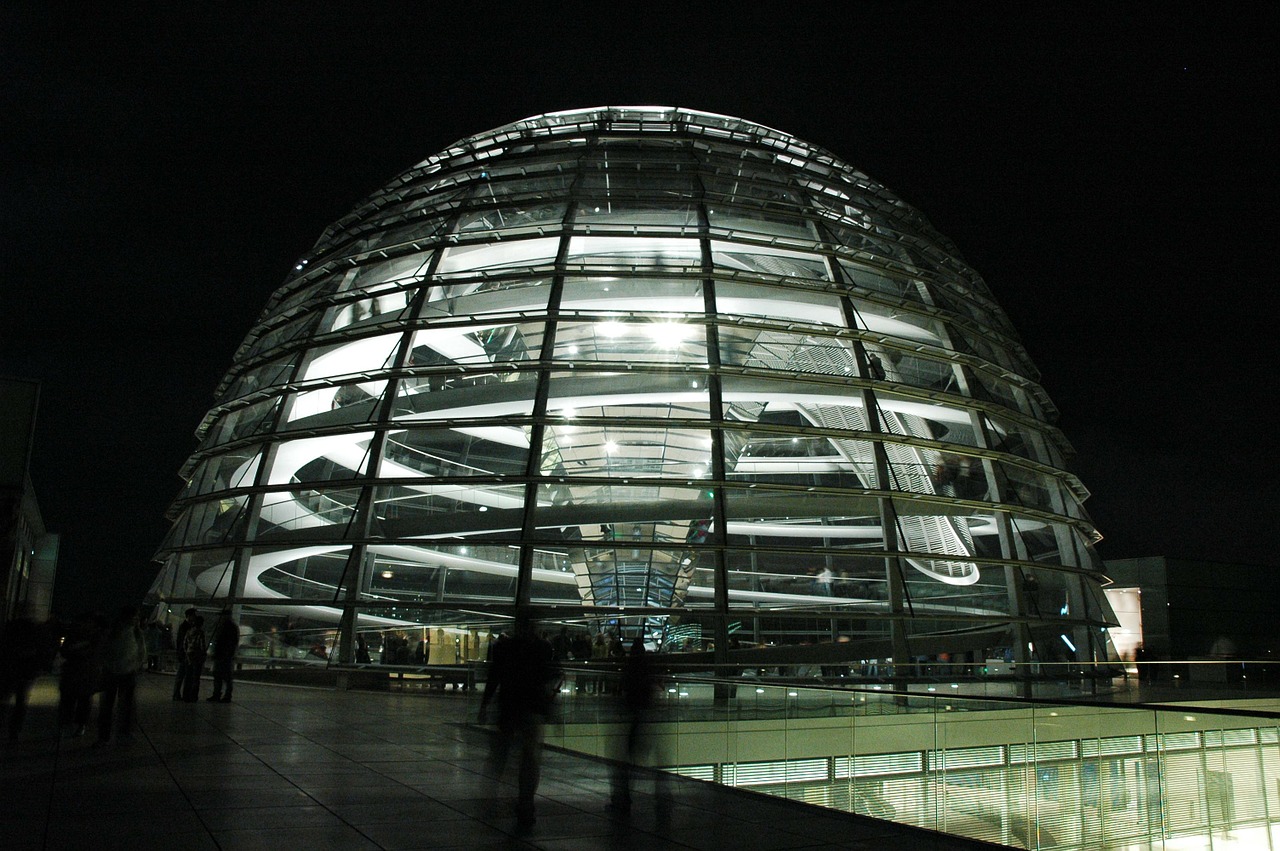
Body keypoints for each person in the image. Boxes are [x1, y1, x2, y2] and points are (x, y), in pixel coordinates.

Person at [478, 616, 558, 828]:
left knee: (501, 754)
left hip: (509, 706)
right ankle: (526, 802)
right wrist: (551, 709)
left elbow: (494, 677)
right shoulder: (543, 648)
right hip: (532, 708)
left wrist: (484, 705)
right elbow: (550, 677)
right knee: (530, 757)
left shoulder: (504, 647)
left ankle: (493, 799)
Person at [610, 638, 662, 813]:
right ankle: (660, 796)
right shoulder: (647, 667)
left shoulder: (629, 666)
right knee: (640, 756)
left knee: (624, 758)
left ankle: (622, 797)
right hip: (644, 715)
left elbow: (623, 686)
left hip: (630, 715)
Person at [0, 605, 53, 741]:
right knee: (20, 700)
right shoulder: (36, 629)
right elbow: (42, 649)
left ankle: (6, 725)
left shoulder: (11, 626)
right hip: (26, 670)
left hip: (11, 668)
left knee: (5, 697)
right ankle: (14, 730)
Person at [97, 606, 146, 743]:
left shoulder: (137, 633)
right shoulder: (113, 632)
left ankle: (123, 733)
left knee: (126, 706)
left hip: (128, 673)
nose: (136, 619)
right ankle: (105, 736)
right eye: (134, 616)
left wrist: (135, 666)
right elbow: (103, 649)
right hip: (112, 673)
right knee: (108, 706)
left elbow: (141, 652)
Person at [59, 612, 104, 737]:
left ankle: (78, 724)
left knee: (81, 700)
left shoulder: (93, 637)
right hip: (80, 672)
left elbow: (92, 653)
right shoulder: (89, 636)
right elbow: (65, 651)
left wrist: (76, 649)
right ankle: (72, 723)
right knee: (73, 699)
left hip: (84, 673)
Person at [207, 610, 240, 703]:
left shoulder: (224, 627)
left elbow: (222, 642)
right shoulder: (231, 627)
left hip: (223, 656)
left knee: (221, 676)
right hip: (225, 656)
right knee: (225, 677)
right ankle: (225, 695)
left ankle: (219, 694)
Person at [172, 608, 197, 700]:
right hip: (185, 655)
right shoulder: (185, 627)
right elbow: (183, 642)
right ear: (189, 616)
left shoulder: (186, 626)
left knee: (182, 675)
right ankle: (177, 694)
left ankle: (177, 694)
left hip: (184, 654)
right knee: (182, 675)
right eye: (193, 615)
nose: (194, 617)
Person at [181, 615, 208, 702]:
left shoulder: (189, 631)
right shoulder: (200, 633)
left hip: (188, 656)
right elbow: (202, 646)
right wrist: (203, 655)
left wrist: (187, 653)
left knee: (188, 677)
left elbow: (184, 644)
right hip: (197, 658)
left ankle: (185, 695)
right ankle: (193, 696)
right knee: (195, 678)